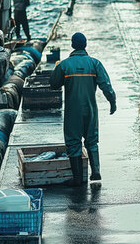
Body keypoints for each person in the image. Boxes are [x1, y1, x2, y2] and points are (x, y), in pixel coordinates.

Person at [50, 33, 116, 185]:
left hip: (73, 111)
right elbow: (106, 85)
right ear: (85, 45)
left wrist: (58, 69)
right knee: (92, 140)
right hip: (91, 109)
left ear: (72, 45)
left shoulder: (64, 65)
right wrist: (112, 102)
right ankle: (96, 172)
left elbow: (53, 84)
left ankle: (78, 179)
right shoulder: (95, 64)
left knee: (73, 142)